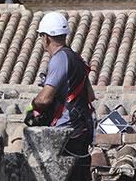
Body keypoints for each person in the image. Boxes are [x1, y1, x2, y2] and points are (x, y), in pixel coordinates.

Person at [28, 11, 95, 156]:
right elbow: (91, 95)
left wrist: (33, 106)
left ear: (46, 37)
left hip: (65, 132)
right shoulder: (76, 58)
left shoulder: (59, 59)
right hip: (82, 129)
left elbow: (44, 99)